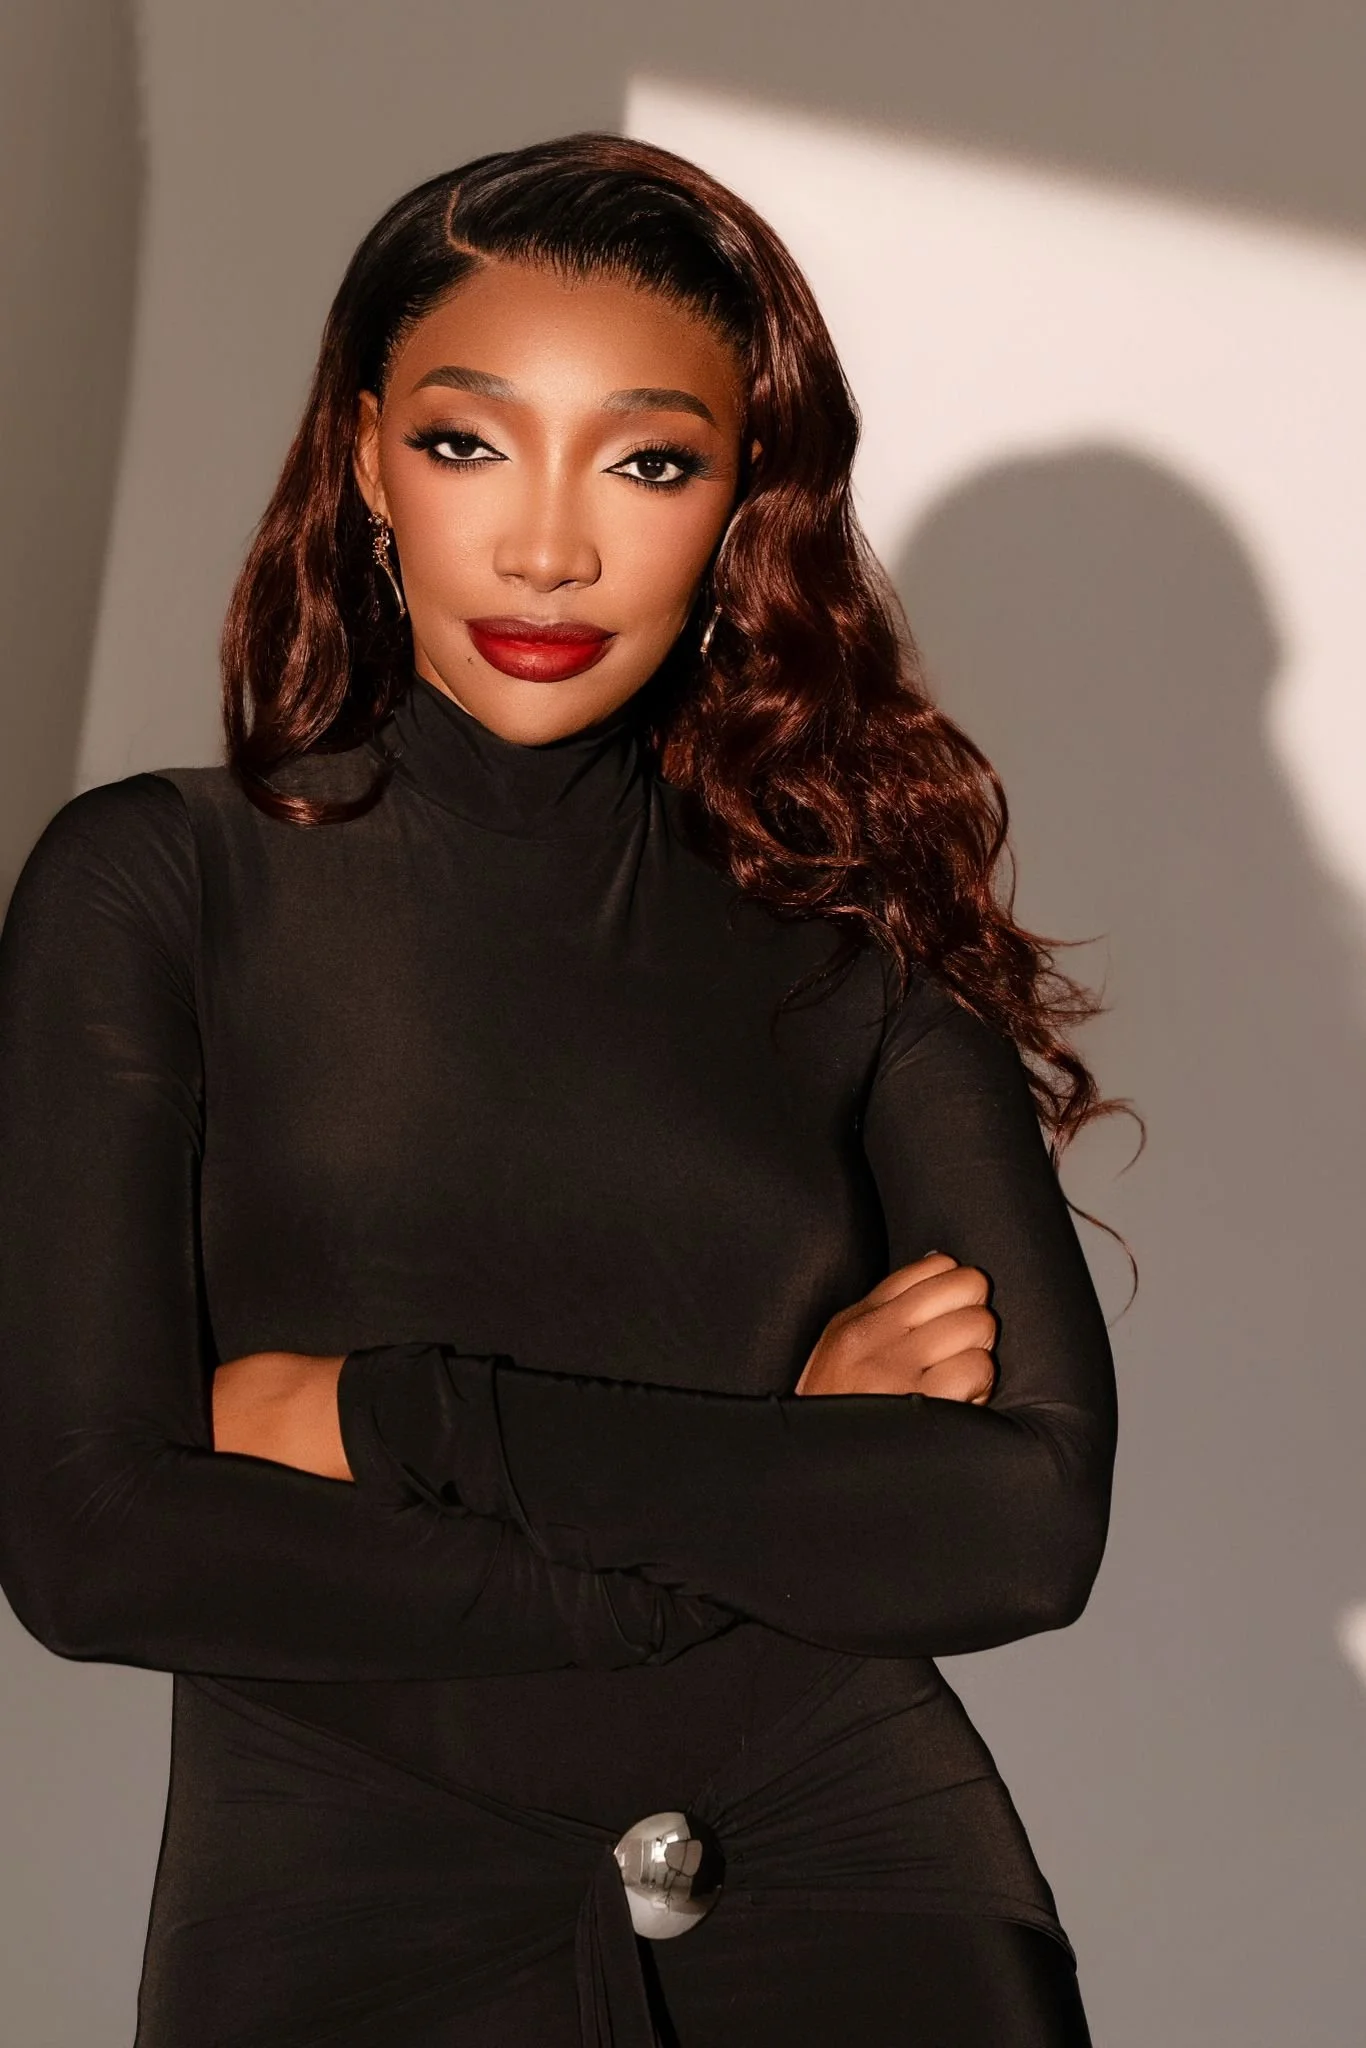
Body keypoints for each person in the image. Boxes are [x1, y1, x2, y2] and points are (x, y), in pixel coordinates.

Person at [0, 134, 1119, 2046]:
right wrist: (775, 1474)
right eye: (468, 443)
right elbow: (93, 1548)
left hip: (867, 1900)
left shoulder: (856, 932)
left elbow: (1020, 1527)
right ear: (365, 460)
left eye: (647, 463)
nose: (547, 549)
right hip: (347, 1917)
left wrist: (381, 1414)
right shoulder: (159, 886)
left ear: (744, 493)